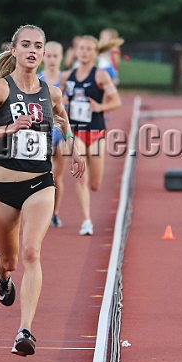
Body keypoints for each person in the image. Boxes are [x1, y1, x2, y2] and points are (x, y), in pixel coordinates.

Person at [0, 25, 85, 356]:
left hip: (39, 183)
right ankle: (2, 275)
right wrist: (8, 128)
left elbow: (64, 122)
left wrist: (74, 150)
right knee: (9, 259)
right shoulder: (0, 90)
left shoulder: (53, 93)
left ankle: (25, 331)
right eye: (27, 45)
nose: (33, 51)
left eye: (39, 46)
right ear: (14, 51)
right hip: (3, 189)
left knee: (32, 252)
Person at [61, 35, 121, 236]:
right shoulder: (66, 77)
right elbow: (56, 99)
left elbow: (116, 101)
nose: (84, 52)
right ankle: (86, 220)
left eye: (89, 49)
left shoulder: (101, 76)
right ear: (76, 51)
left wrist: (100, 106)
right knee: (81, 178)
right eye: (81, 48)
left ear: (95, 53)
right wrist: (61, 102)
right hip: (75, 132)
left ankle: (88, 214)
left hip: (95, 132)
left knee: (95, 184)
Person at [38, 41, 67, 227]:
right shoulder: (36, 79)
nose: (52, 60)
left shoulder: (66, 79)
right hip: (42, 131)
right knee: (41, 175)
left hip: (60, 131)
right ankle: (40, 212)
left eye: (55, 56)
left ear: (61, 58)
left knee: (57, 177)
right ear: (43, 57)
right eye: (48, 56)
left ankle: (54, 212)